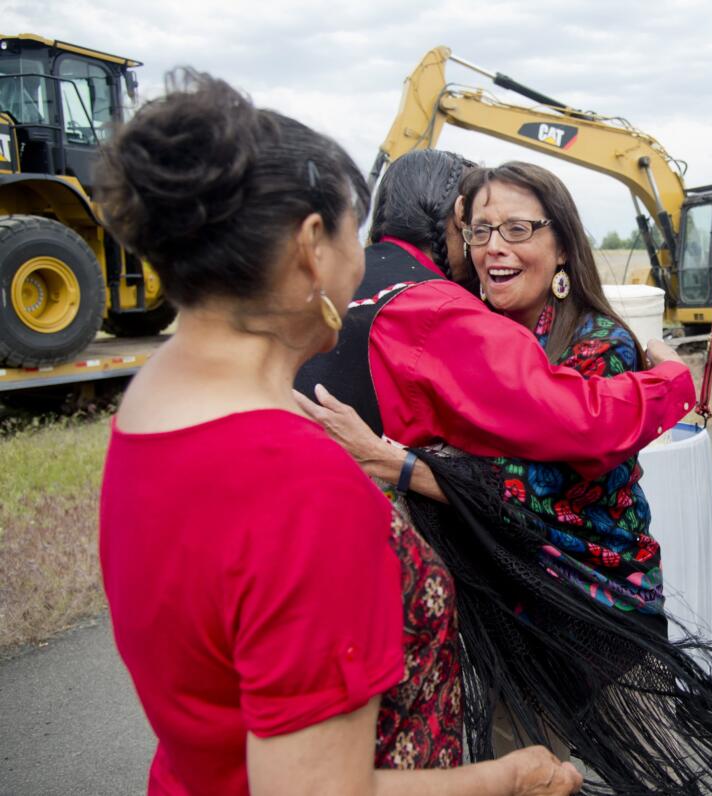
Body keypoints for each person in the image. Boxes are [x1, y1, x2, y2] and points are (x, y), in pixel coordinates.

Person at [299, 159, 712, 795]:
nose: (494, 248)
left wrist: (403, 465)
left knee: (587, 767)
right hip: (508, 594)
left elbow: (553, 478)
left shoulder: (601, 344)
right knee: (528, 763)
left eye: (517, 228)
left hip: (584, 604)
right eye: (480, 230)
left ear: (563, 245)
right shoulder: (483, 333)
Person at [95, 71, 581, 796]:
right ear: (310, 245)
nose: (367, 260)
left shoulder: (154, 404)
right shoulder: (306, 486)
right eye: (359, 230)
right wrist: (507, 776)